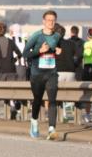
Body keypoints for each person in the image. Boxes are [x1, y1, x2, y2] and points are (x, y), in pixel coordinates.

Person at [22, 11, 63, 140]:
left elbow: (58, 49)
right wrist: (39, 51)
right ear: (43, 21)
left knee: (52, 100)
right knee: (38, 100)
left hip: (52, 73)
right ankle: (34, 121)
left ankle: (51, 129)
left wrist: (59, 51)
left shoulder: (57, 36)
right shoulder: (36, 36)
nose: (51, 22)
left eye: (53, 20)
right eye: (49, 20)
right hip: (37, 74)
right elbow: (25, 53)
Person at [0, 21, 21, 120]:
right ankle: (12, 107)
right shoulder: (11, 41)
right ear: (5, 30)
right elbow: (19, 54)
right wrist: (13, 61)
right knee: (11, 91)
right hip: (11, 70)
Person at [55, 25, 79, 122]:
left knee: (57, 95)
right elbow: (77, 57)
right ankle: (69, 109)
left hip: (58, 71)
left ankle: (62, 115)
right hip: (71, 71)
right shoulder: (71, 43)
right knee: (70, 93)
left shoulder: (53, 43)